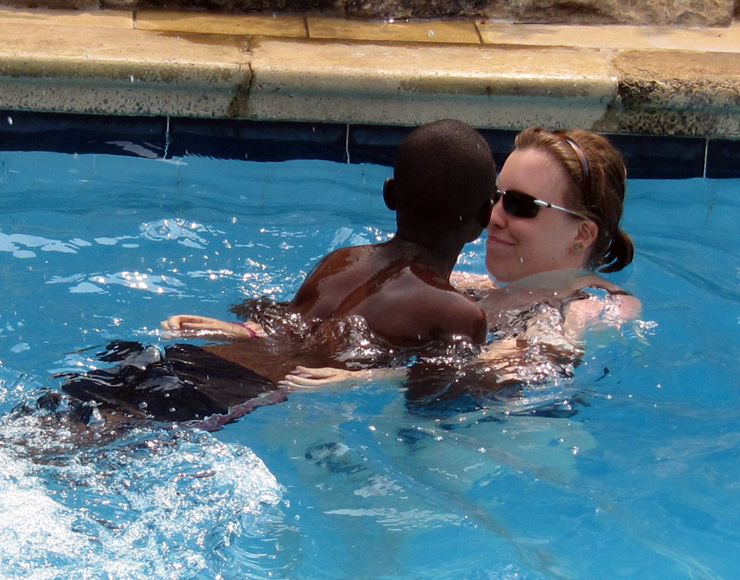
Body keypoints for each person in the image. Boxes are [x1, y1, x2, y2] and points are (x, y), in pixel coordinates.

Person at [61, 119, 498, 428]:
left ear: (389, 195)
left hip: (181, 359)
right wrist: (364, 378)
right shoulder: (459, 313)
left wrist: (238, 330)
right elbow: (432, 401)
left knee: (51, 426)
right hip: (228, 391)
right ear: (484, 215)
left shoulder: (342, 260)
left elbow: (280, 323)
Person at [280, 126, 641, 401]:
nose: (495, 216)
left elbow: (532, 365)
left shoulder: (594, 305)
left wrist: (362, 382)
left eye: (520, 205)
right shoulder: (476, 290)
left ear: (582, 233)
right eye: (495, 197)